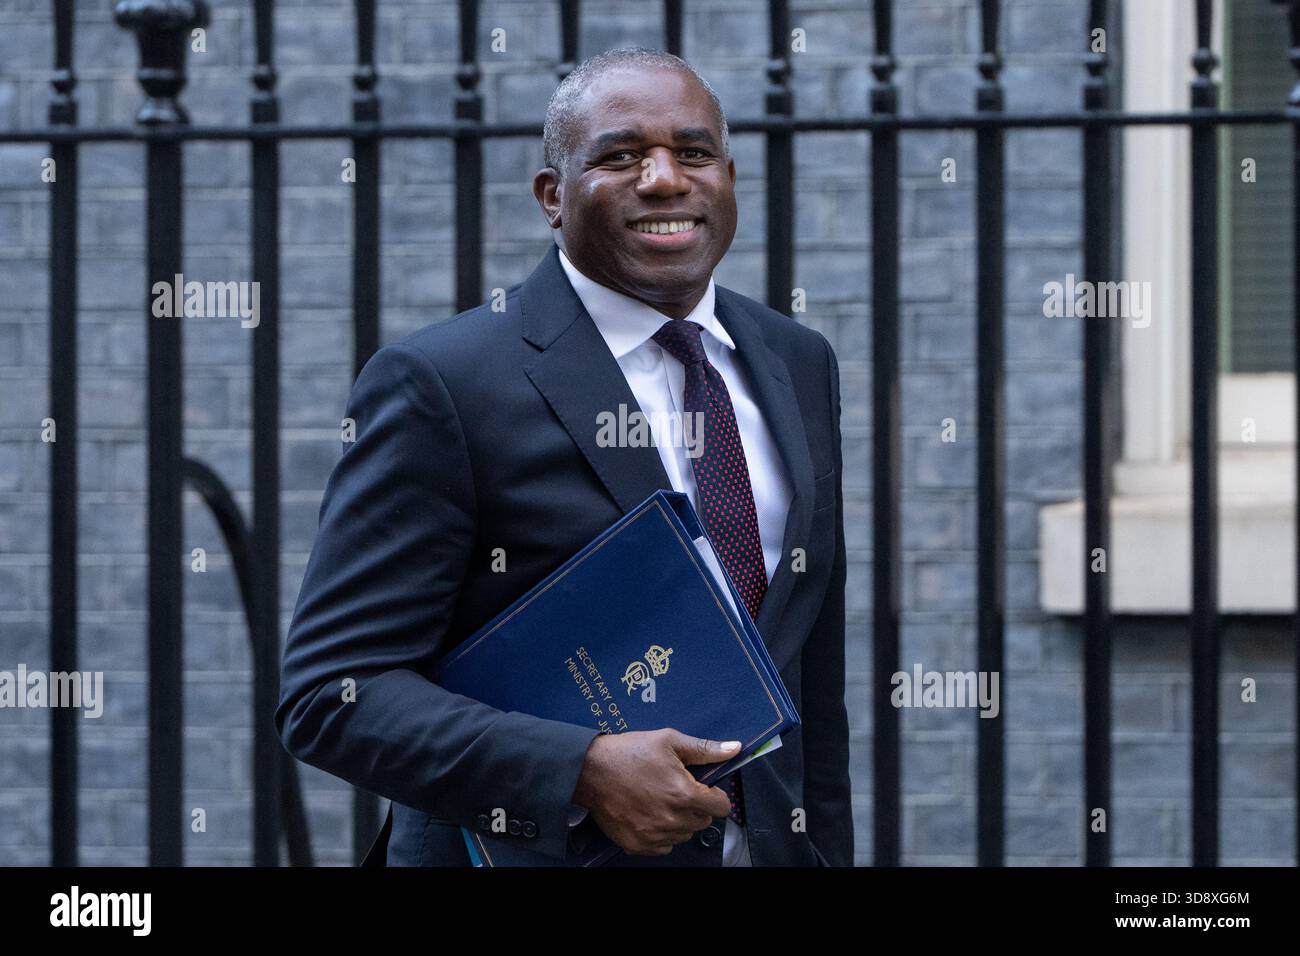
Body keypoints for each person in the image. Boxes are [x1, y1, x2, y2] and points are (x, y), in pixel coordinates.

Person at [275, 47, 851, 867]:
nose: (664, 179)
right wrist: (580, 771)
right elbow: (332, 695)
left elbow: (808, 683)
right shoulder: (445, 383)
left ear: (729, 177)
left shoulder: (797, 360)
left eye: (692, 153)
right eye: (620, 156)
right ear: (553, 195)